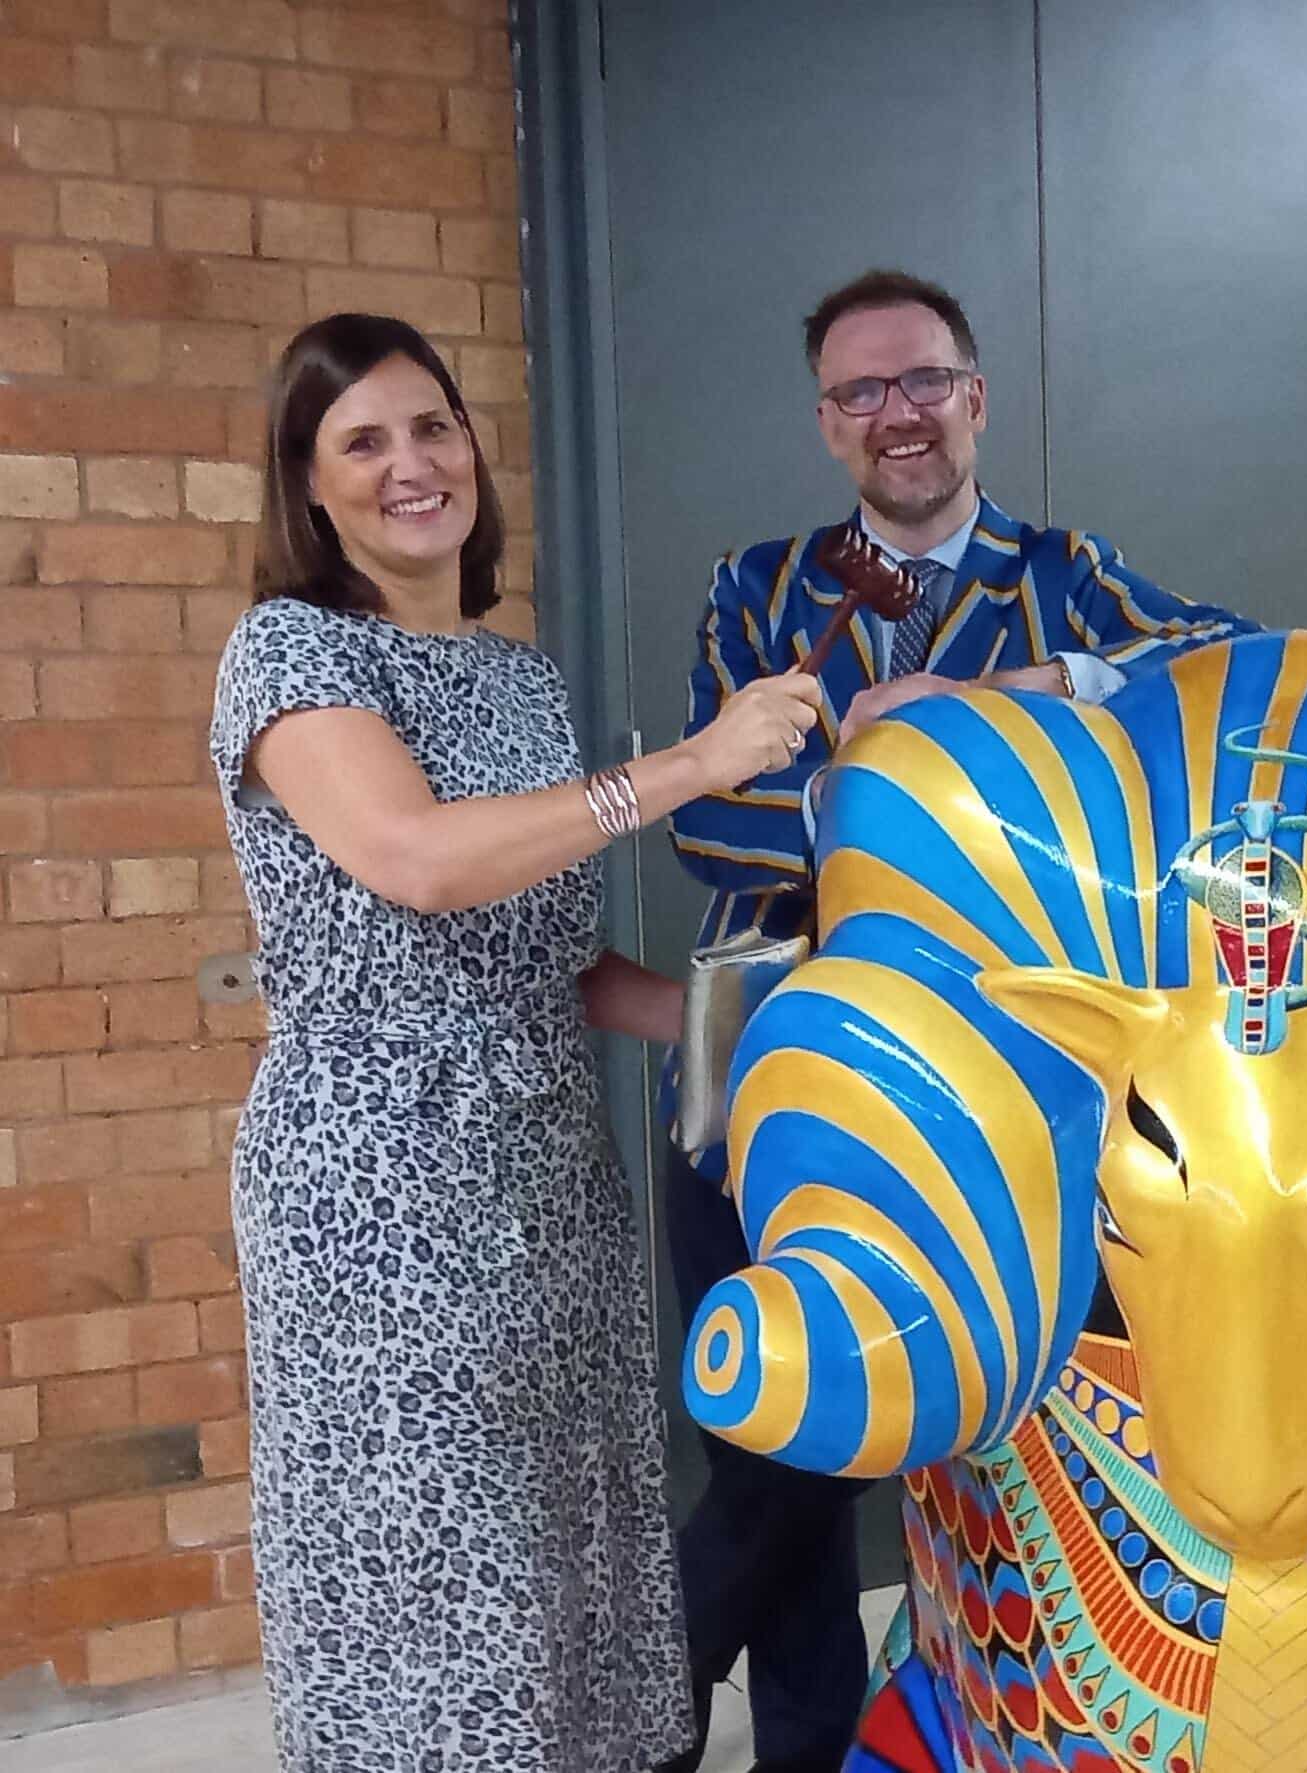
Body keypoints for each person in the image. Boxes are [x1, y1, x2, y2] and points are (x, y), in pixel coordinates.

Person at [658, 268, 1257, 1773]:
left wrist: (1031, 689)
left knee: (935, 1437)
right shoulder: (758, 588)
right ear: (825, 425)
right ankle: (725, 1727)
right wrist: (885, 787)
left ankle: (689, 1710)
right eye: (861, 393)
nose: (896, 416)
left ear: (974, 398)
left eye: (922, 381)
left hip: (1003, 1087)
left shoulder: (1066, 576)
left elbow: (1232, 667)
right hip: (766, 1058)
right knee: (780, 1441)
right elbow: (706, 821)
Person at [210, 313, 823, 1773]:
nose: (413, 465)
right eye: (363, 441)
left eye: (435, 426)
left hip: (547, 1168)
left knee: (567, 1543)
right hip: (379, 1188)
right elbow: (419, 861)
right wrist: (691, 766)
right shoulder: (288, 654)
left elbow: (546, 960)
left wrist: (748, 1019)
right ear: (308, 486)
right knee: (439, 1559)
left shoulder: (515, 677)